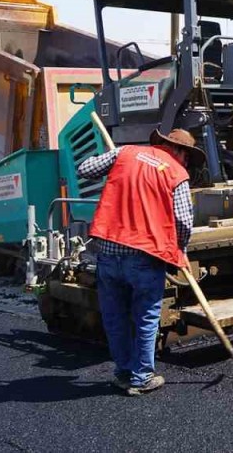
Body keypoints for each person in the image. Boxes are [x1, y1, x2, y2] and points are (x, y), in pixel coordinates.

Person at [77, 128, 203, 396]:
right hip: (145, 255)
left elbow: (84, 169)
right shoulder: (176, 173)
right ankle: (142, 376)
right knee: (146, 316)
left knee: (115, 317)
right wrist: (179, 249)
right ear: (180, 152)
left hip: (109, 251)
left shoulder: (126, 152)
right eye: (187, 157)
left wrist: (114, 164)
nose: (186, 163)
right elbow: (183, 221)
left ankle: (123, 372)